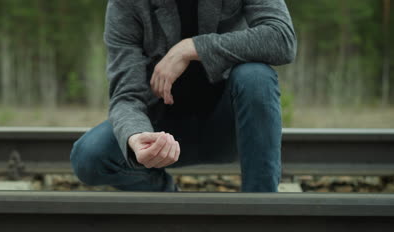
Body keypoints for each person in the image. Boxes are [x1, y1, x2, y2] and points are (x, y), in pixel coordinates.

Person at [70, 0, 297, 192]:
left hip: (235, 128)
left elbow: (282, 38)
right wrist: (136, 137)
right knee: (89, 155)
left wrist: (193, 48)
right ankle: (168, 198)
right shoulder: (127, 4)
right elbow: (127, 96)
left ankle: (261, 208)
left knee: (256, 75)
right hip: (162, 133)